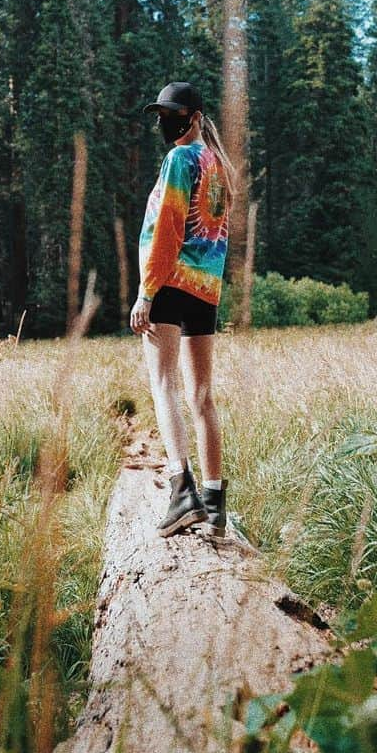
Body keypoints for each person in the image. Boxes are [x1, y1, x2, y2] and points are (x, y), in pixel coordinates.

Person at [130, 81, 236, 537]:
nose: (162, 122)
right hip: (206, 289)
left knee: (163, 383)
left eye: (170, 113)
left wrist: (146, 292)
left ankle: (181, 492)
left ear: (193, 116)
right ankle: (213, 504)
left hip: (171, 283)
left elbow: (168, 230)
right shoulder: (218, 166)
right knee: (202, 395)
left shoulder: (179, 159)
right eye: (159, 113)